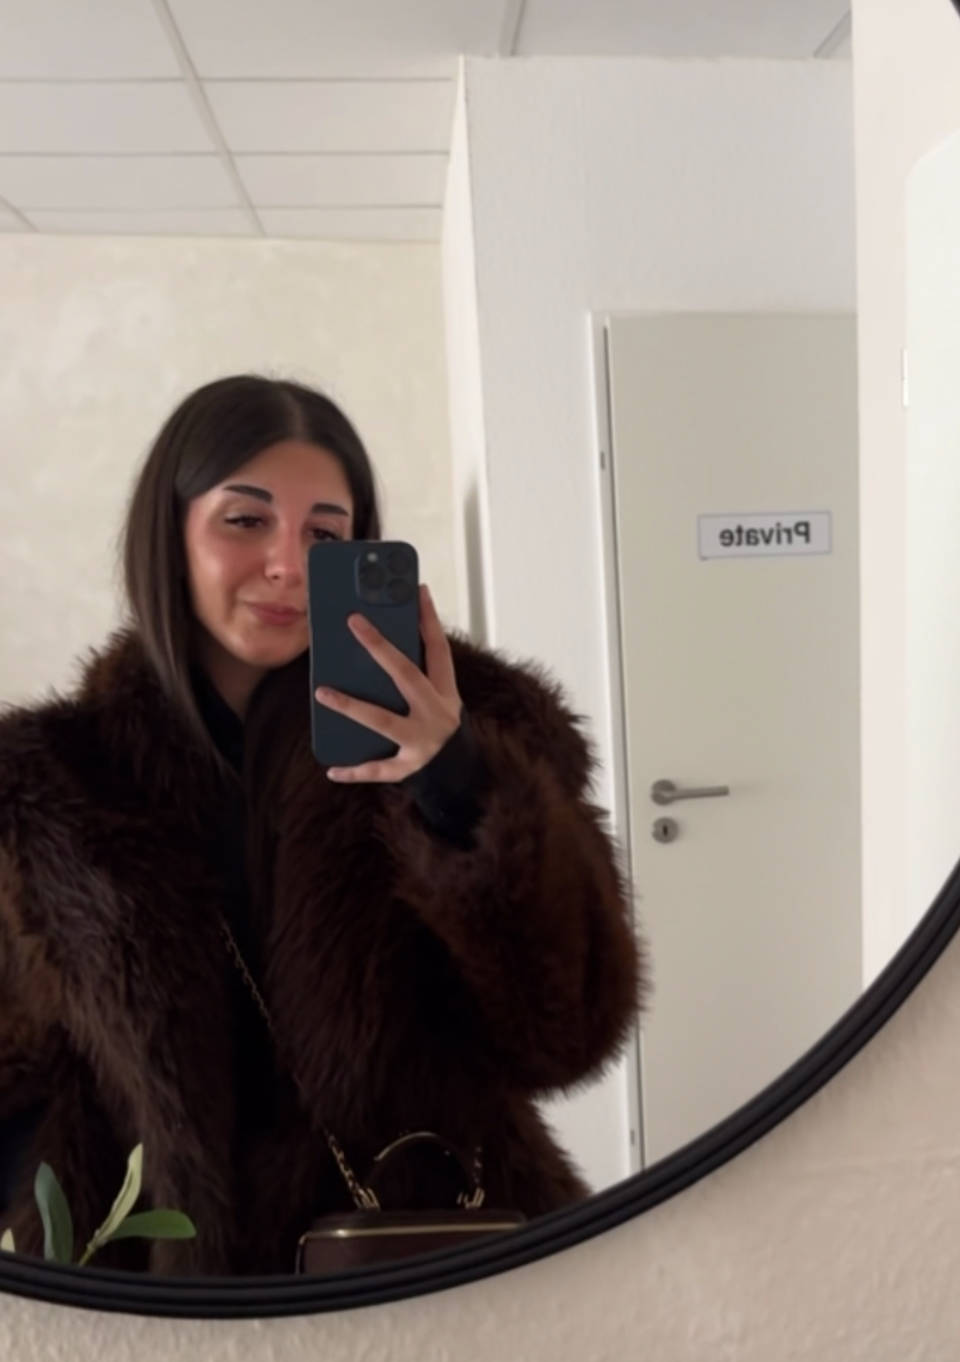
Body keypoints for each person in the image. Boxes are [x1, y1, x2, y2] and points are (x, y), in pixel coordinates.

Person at [0, 375, 644, 1276]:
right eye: (245, 520)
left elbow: (567, 1031)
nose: (288, 565)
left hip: (433, 1268)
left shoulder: (489, 729)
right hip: (160, 1295)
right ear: (169, 533)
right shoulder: (49, 780)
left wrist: (454, 782)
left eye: (325, 534)